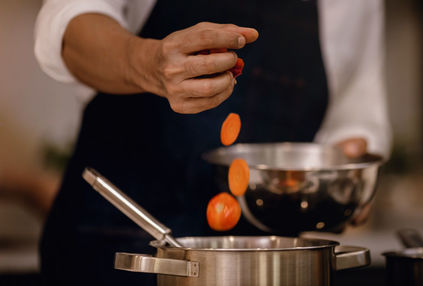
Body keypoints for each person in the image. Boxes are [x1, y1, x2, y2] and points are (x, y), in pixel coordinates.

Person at [34, 0, 391, 285]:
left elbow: (354, 107)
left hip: (270, 265)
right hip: (120, 250)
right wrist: (148, 63)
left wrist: (345, 178)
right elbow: (68, 26)